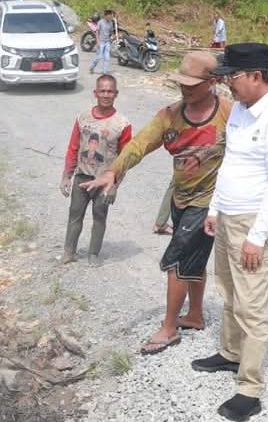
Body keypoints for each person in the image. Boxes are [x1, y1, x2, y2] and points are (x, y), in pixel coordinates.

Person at [82, 53, 231, 355]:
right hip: (181, 197)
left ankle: (168, 327)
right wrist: (114, 170)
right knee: (193, 258)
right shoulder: (170, 115)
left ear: (212, 82)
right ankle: (196, 315)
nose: (185, 90)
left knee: (176, 259)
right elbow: (139, 144)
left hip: (211, 200)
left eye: (192, 85)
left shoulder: (229, 113)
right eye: (182, 84)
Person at [193, 43, 268, 422]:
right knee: (228, 289)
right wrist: (215, 209)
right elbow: (231, 163)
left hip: (258, 221)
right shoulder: (240, 110)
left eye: (232, 78)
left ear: (256, 75)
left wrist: (258, 235)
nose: (227, 86)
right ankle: (229, 352)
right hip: (229, 216)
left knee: (251, 303)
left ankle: (250, 388)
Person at [61, 74, 133, 266]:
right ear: (95, 93)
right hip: (82, 177)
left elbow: (125, 158)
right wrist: (66, 176)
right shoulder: (83, 118)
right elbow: (73, 147)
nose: (106, 94)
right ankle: (69, 252)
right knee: (75, 215)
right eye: (102, 90)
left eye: (110, 91)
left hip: (104, 181)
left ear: (116, 94)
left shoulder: (122, 124)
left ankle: (93, 254)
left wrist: (115, 185)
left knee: (99, 216)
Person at [90, 10, 116, 75]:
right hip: (101, 42)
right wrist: (98, 42)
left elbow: (111, 32)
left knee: (107, 57)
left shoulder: (111, 23)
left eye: (111, 16)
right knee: (99, 57)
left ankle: (105, 72)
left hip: (107, 42)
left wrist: (113, 36)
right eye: (110, 16)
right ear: (105, 16)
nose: (111, 17)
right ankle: (92, 67)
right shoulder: (100, 22)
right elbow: (97, 32)